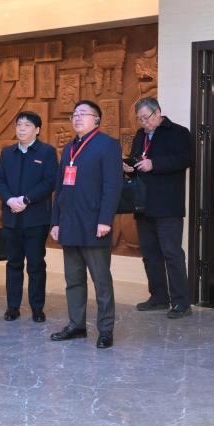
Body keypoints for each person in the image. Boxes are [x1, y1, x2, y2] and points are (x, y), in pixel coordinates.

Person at [50, 100, 123, 349]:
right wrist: (55, 221)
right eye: (74, 114)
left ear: (97, 119)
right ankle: (76, 325)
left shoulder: (107, 145)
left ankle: (105, 329)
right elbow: (60, 188)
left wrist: (105, 219)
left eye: (83, 113)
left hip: (94, 224)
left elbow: (113, 186)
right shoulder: (69, 148)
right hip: (69, 224)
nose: (77, 117)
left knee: (101, 281)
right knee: (73, 280)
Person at [123, 97, 192, 318]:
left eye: (146, 117)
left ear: (158, 112)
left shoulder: (178, 132)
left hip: (168, 204)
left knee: (172, 253)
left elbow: (185, 159)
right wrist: (130, 166)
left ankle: (181, 302)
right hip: (143, 204)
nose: (144, 122)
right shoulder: (140, 135)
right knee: (150, 254)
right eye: (140, 119)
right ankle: (158, 297)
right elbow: (138, 159)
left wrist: (155, 163)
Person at [0, 111, 58, 322]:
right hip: (11, 217)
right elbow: (0, 180)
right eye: (19, 124)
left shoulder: (47, 152)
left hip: (36, 219)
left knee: (36, 264)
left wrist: (26, 200)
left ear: (37, 130)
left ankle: (37, 308)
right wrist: (9, 200)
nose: (21, 128)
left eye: (27, 125)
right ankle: (12, 307)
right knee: (13, 263)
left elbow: (50, 182)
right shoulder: (7, 153)